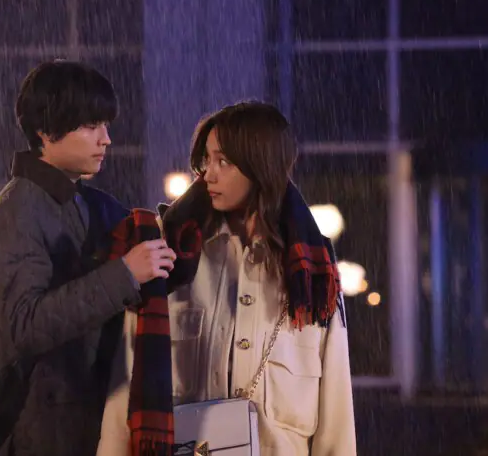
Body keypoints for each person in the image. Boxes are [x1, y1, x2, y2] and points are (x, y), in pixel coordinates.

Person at [98, 101, 356, 455]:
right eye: (207, 160)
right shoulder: (171, 256)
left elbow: (336, 418)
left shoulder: (311, 272)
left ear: (260, 167)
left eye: (224, 162)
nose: (209, 174)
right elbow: (124, 394)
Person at [0, 59, 176, 456]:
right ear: (46, 131)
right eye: (90, 125)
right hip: (48, 432)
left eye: (106, 125)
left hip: (92, 420)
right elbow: (22, 328)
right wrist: (125, 274)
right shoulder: (16, 215)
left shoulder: (88, 203)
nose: (106, 139)